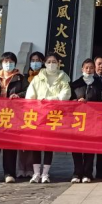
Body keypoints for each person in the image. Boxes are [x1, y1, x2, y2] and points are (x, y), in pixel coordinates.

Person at [0, 52, 29, 184]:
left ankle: (9, 173)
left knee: (10, 146)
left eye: (11, 62)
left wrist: (19, 95)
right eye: (6, 62)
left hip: (13, 116)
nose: (8, 64)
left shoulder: (20, 78)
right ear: (1, 63)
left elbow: (28, 92)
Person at [26, 52, 71, 183]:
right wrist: (38, 104)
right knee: (36, 145)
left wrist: (51, 99)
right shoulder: (37, 78)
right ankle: (36, 173)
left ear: (58, 63)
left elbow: (66, 94)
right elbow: (30, 96)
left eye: (54, 62)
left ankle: (45, 173)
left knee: (48, 145)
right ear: (45, 63)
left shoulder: (63, 77)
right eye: (49, 62)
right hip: (38, 115)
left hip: (54, 116)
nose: (51, 64)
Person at [70, 59, 102, 183]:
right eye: (86, 68)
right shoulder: (75, 84)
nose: (89, 70)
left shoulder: (99, 84)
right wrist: (76, 101)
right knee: (76, 147)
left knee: (90, 146)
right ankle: (77, 172)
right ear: (82, 69)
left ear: (94, 69)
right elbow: (69, 101)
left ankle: (87, 173)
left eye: (91, 68)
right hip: (77, 120)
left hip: (93, 120)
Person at [18, 52, 45, 178]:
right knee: (22, 141)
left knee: (34, 142)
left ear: (42, 62)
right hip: (25, 112)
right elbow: (22, 91)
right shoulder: (24, 77)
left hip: (39, 113)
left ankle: (31, 168)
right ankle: (20, 168)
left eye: (37, 60)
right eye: (33, 60)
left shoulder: (45, 77)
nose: (35, 63)